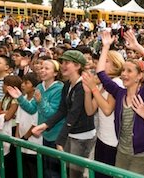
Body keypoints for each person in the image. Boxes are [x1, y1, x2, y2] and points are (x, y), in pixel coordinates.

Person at [96, 30, 144, 175]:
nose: (124, 74)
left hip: (141, 154)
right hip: (122, 151)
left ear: (139, 76)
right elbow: (101, 72)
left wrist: (137, 46)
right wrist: (106, 47)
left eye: (129, 71)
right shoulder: (119, 93)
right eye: (123, 71)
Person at [32, 50, 96, 178]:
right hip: (71, 134)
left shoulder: (82, 86)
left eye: (67, 62)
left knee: (75, 174)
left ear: (78, 66)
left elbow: (74, 114)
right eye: (62, 62)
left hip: (82, 136)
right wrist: (45, 125)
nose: (63, 65)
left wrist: (60, 139)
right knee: (68, 172)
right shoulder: (67, 85)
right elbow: (62, 110)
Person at [7, 59, 64, 178]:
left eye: (47, 68)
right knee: (46, 169)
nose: (42, 70)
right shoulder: (39, 86)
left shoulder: (59, 88)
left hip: (56, 134)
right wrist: (20, 98)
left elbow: (51, 114)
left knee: (54, 171)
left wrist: (40, 101)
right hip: (45, 134)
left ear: (55, 73)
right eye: (42, 68)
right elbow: (32, 109)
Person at [82, 50, 125, 178]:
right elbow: (90, 111)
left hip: (113, 142)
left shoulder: (117, 83)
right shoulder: (103, 85)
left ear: (116, 65)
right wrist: (87, 92)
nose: (100, 65)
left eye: (106, 61)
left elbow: (107, 110)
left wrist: (93, 88)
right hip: (102, 138)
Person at [14, 72, 41, 178]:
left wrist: (25, 137)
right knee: (24, 169)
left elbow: (36, 122)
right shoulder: (23, 98)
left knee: (33, 170)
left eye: (26, 83)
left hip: (33, 141)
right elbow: (18, 119)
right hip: (21, 139)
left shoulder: (37, 100)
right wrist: (17, 136)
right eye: (23, 82)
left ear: (34, 86)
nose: (23, 85)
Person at [0, 75, 22, 178]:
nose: (2, 86)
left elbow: (8, 117)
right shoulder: (4, 97)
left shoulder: (15, 100)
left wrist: (6, 113)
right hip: (3, 128)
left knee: (10, 157)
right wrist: (5, 112)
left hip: (11, 130)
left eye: (5, 84)